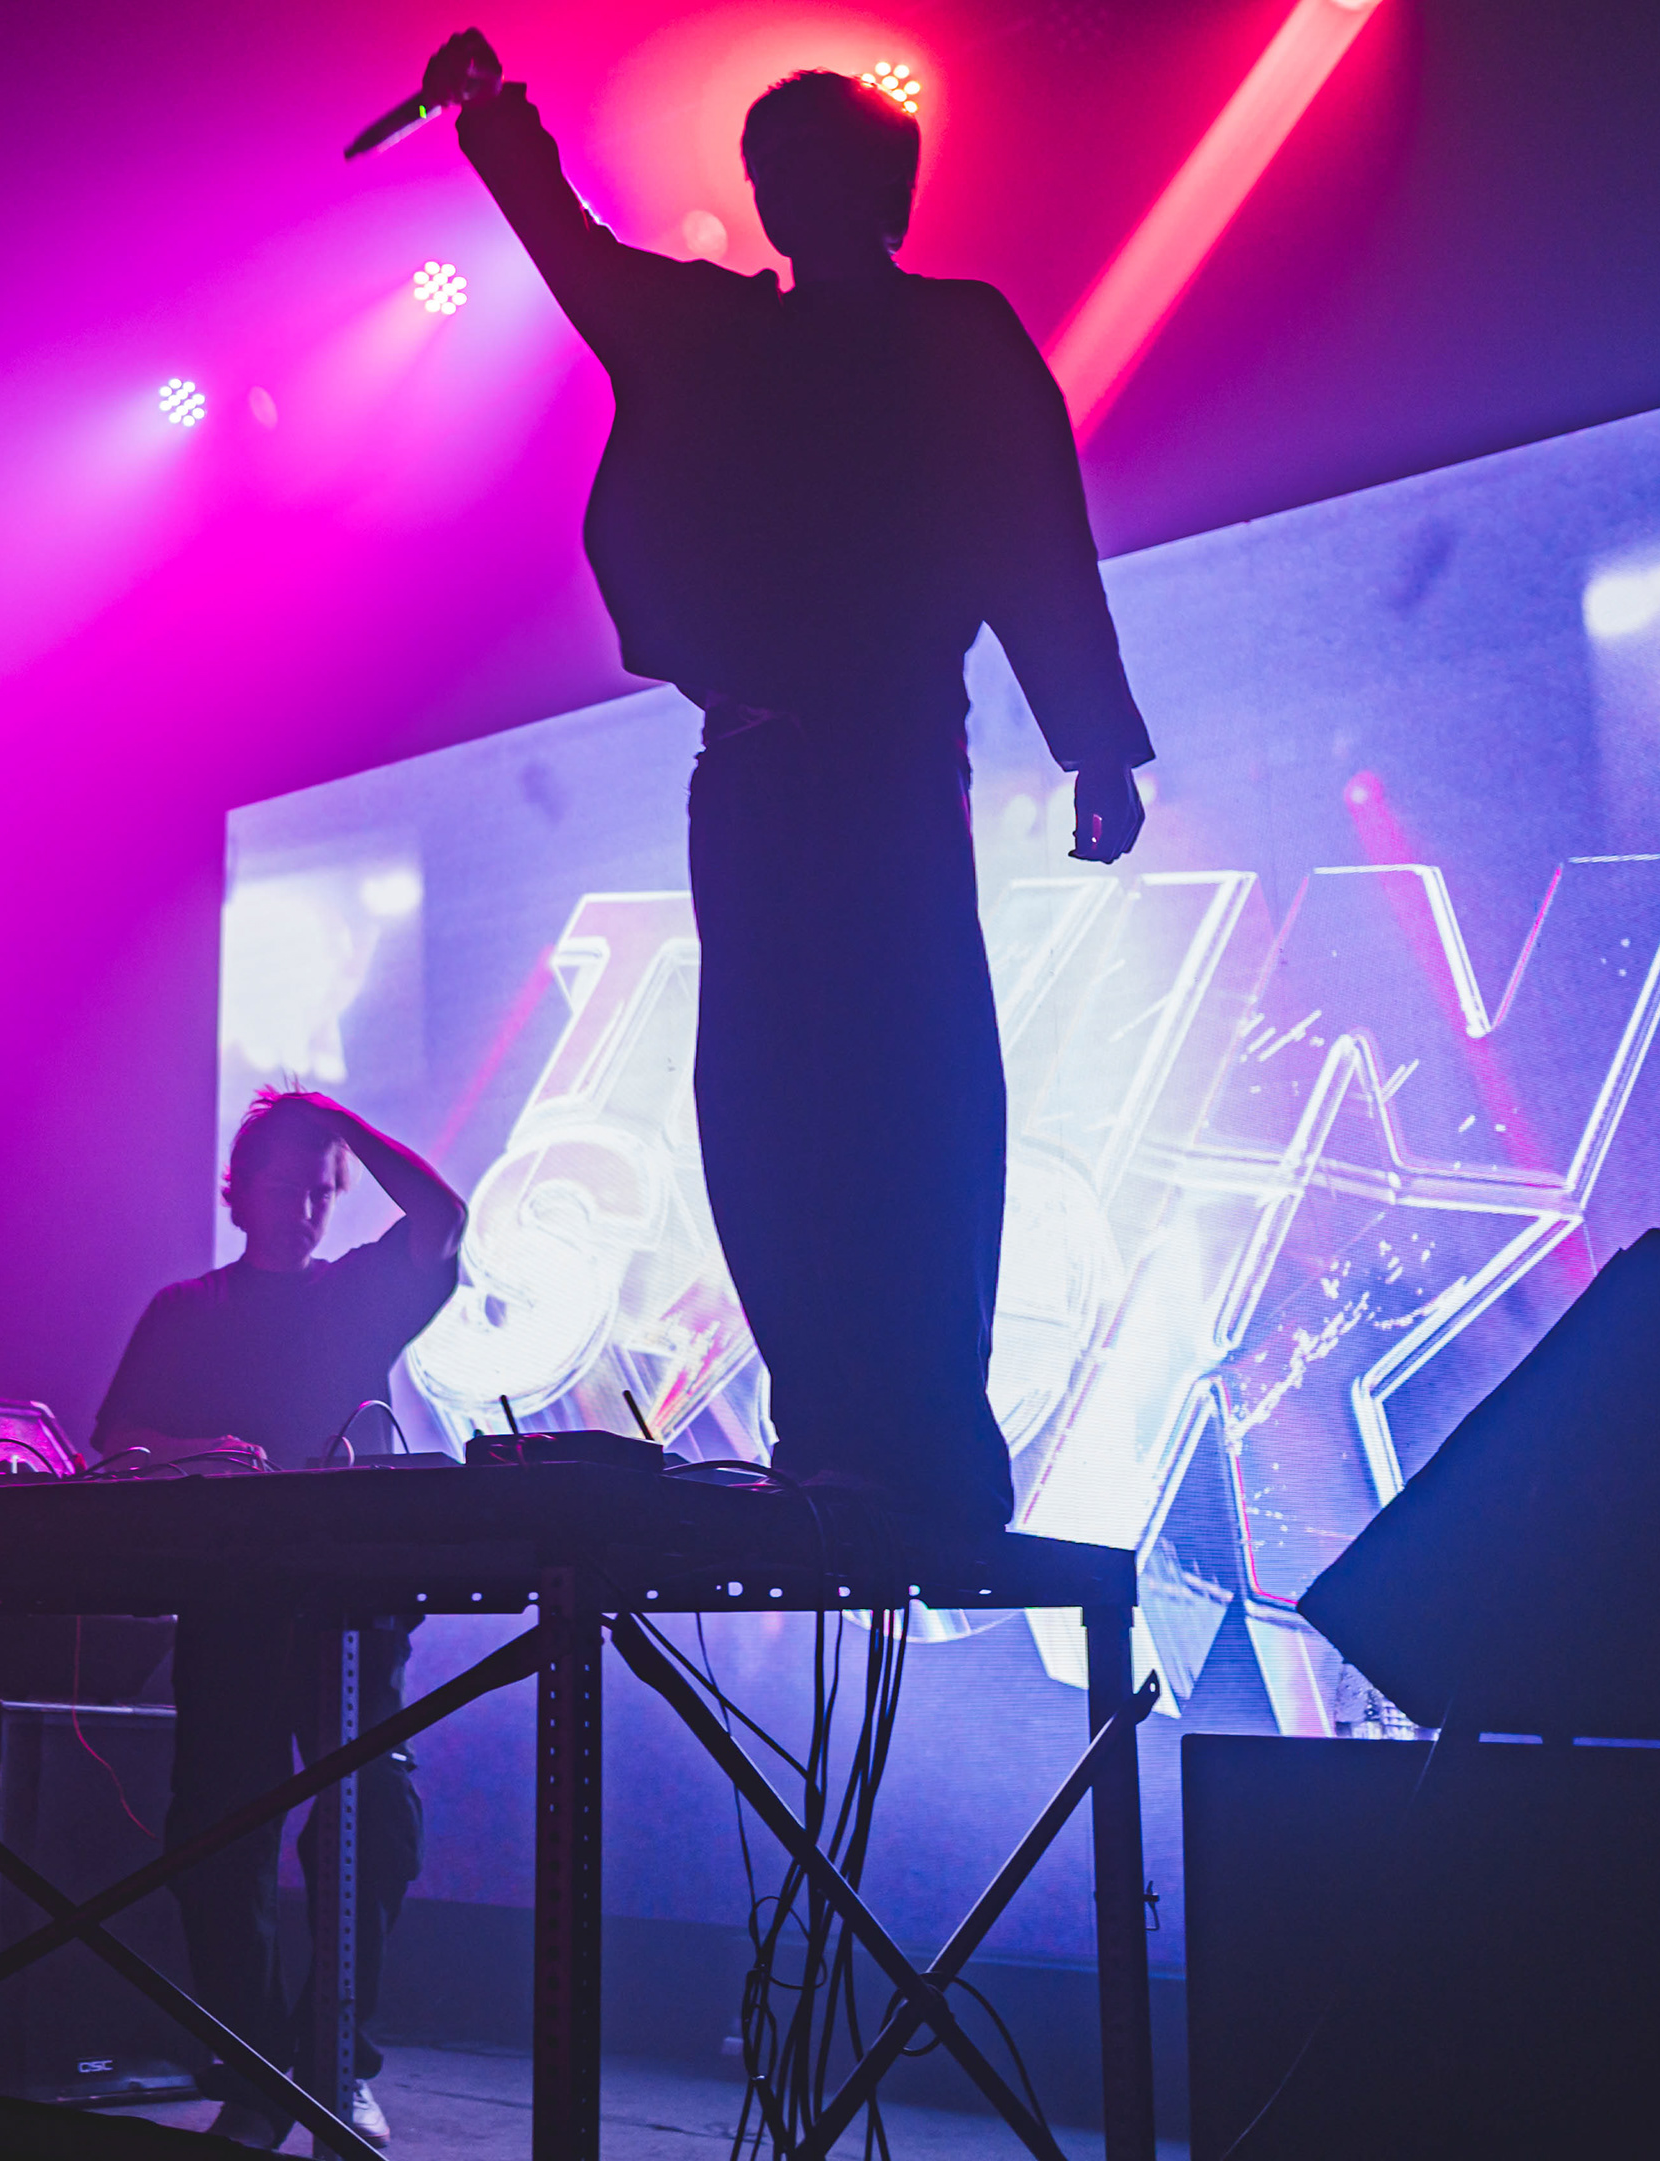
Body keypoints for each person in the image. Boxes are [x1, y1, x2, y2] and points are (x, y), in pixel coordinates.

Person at [429, 32, 1157, 1530]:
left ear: (875, 190)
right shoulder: (715, 334)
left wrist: (1095, 739)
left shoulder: (947, 332)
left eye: (801, 168)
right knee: (771, 1098)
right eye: (766, 169)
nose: (775, 192)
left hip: (880, 763)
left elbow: (1038, 528)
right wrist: (495, 119)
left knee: (908, 1084)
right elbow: (575, 254)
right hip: (763, 769)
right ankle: (830, 1423)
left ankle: (927, 1436)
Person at [93, 1090, 467, 2150]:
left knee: (373, 1823)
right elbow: (116, 1438)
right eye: (286, 1187)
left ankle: (332, 2065)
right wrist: (206, 1452)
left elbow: (442, 1217)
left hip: (353, 1605)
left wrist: (328, 1113)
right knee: (218, 1835)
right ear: (239, 1192)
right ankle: (261, 2075)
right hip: (233, 1600)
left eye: (321, 1190)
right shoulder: (187, 1309)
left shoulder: (355, 1295)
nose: (305, 1209)